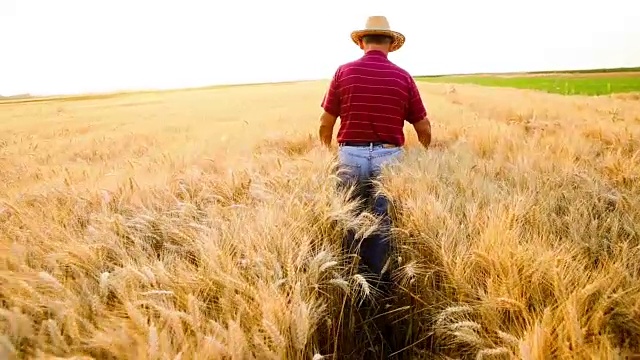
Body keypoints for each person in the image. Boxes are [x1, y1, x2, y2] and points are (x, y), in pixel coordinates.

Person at [318, 15, 432, 294]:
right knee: (383, 223)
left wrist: (329, 153)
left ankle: (348, 281)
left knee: (348, 216)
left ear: (362, 43)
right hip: (389, 158)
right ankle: (378, 284)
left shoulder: (343, 72)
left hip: (350, 155)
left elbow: (325, 123)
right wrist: (424, 153)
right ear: (391, 45)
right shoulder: (403, 76)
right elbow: (424, 127)